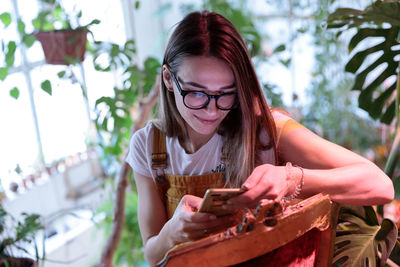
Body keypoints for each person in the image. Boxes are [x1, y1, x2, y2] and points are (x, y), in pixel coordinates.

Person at [126, 10, 394, 266]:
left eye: (226, 93)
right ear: (169, 79)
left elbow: (380, 186)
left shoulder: (265, 130)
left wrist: (291, 179)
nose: (212, 109)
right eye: (196, 93)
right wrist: (171, 233)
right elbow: (152, 255)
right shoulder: (149, 146)